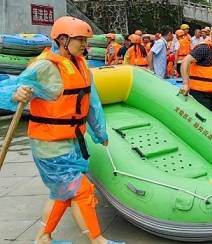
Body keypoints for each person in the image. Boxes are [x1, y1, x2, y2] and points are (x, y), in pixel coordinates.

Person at [0, 17, 123, 244]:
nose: (85, 44)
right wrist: (16, 95)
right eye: (80, 40)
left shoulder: (81, 65)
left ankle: (44, 238)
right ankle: (98, 241)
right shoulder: (44, 66)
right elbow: (10, 87)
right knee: (80, 190)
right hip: (49, 143)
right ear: (63, 39)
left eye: (86, 40)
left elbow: (92, 103)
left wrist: (100, 133)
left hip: (73, 140)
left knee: (63, 193)